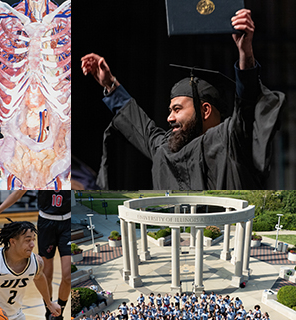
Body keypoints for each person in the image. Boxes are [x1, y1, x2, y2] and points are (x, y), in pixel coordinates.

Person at [81, 9, 284, 191]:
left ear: (205, 110)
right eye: (170, 110)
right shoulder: (167, 149)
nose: (169, 118)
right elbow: (139, 124)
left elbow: (247, 104)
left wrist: (245, 52)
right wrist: (110, 84)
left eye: (177, 109)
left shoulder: (231, 139)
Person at [0, 190, 71, 320]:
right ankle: (50, 312)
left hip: (67, 221)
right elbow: (17, 193)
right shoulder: (39, 171)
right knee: (45, 274)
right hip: (46, 222)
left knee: (67, 276)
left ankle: (58, 317)